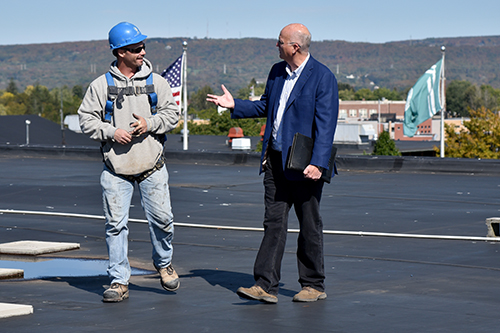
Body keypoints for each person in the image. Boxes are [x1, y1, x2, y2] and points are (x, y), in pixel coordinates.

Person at [207, 23, 338, 303]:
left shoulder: (322, 77)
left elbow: (326, 125)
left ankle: (313, 285)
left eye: (279, 42)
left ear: (295, 47)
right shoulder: (277, 72)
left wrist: (318, 163)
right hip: (276, 162)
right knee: (274, 224)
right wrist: (234, 105)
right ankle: (265, 285)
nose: (275, 46)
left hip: (306, 166)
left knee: (309, 224)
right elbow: (266, 106)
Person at [78, 22, 180, 303]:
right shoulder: (100, 86)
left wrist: (150, 123)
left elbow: (172, 115)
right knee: (115, 225)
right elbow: (86, 121)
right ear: (120, 52)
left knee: (162, 220)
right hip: (116, 170)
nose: (142, 52)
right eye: (136, 48)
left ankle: (164, 263)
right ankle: (119, 280)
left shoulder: (156, 82)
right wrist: (112, 132)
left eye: (143, 47)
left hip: (153, 167)